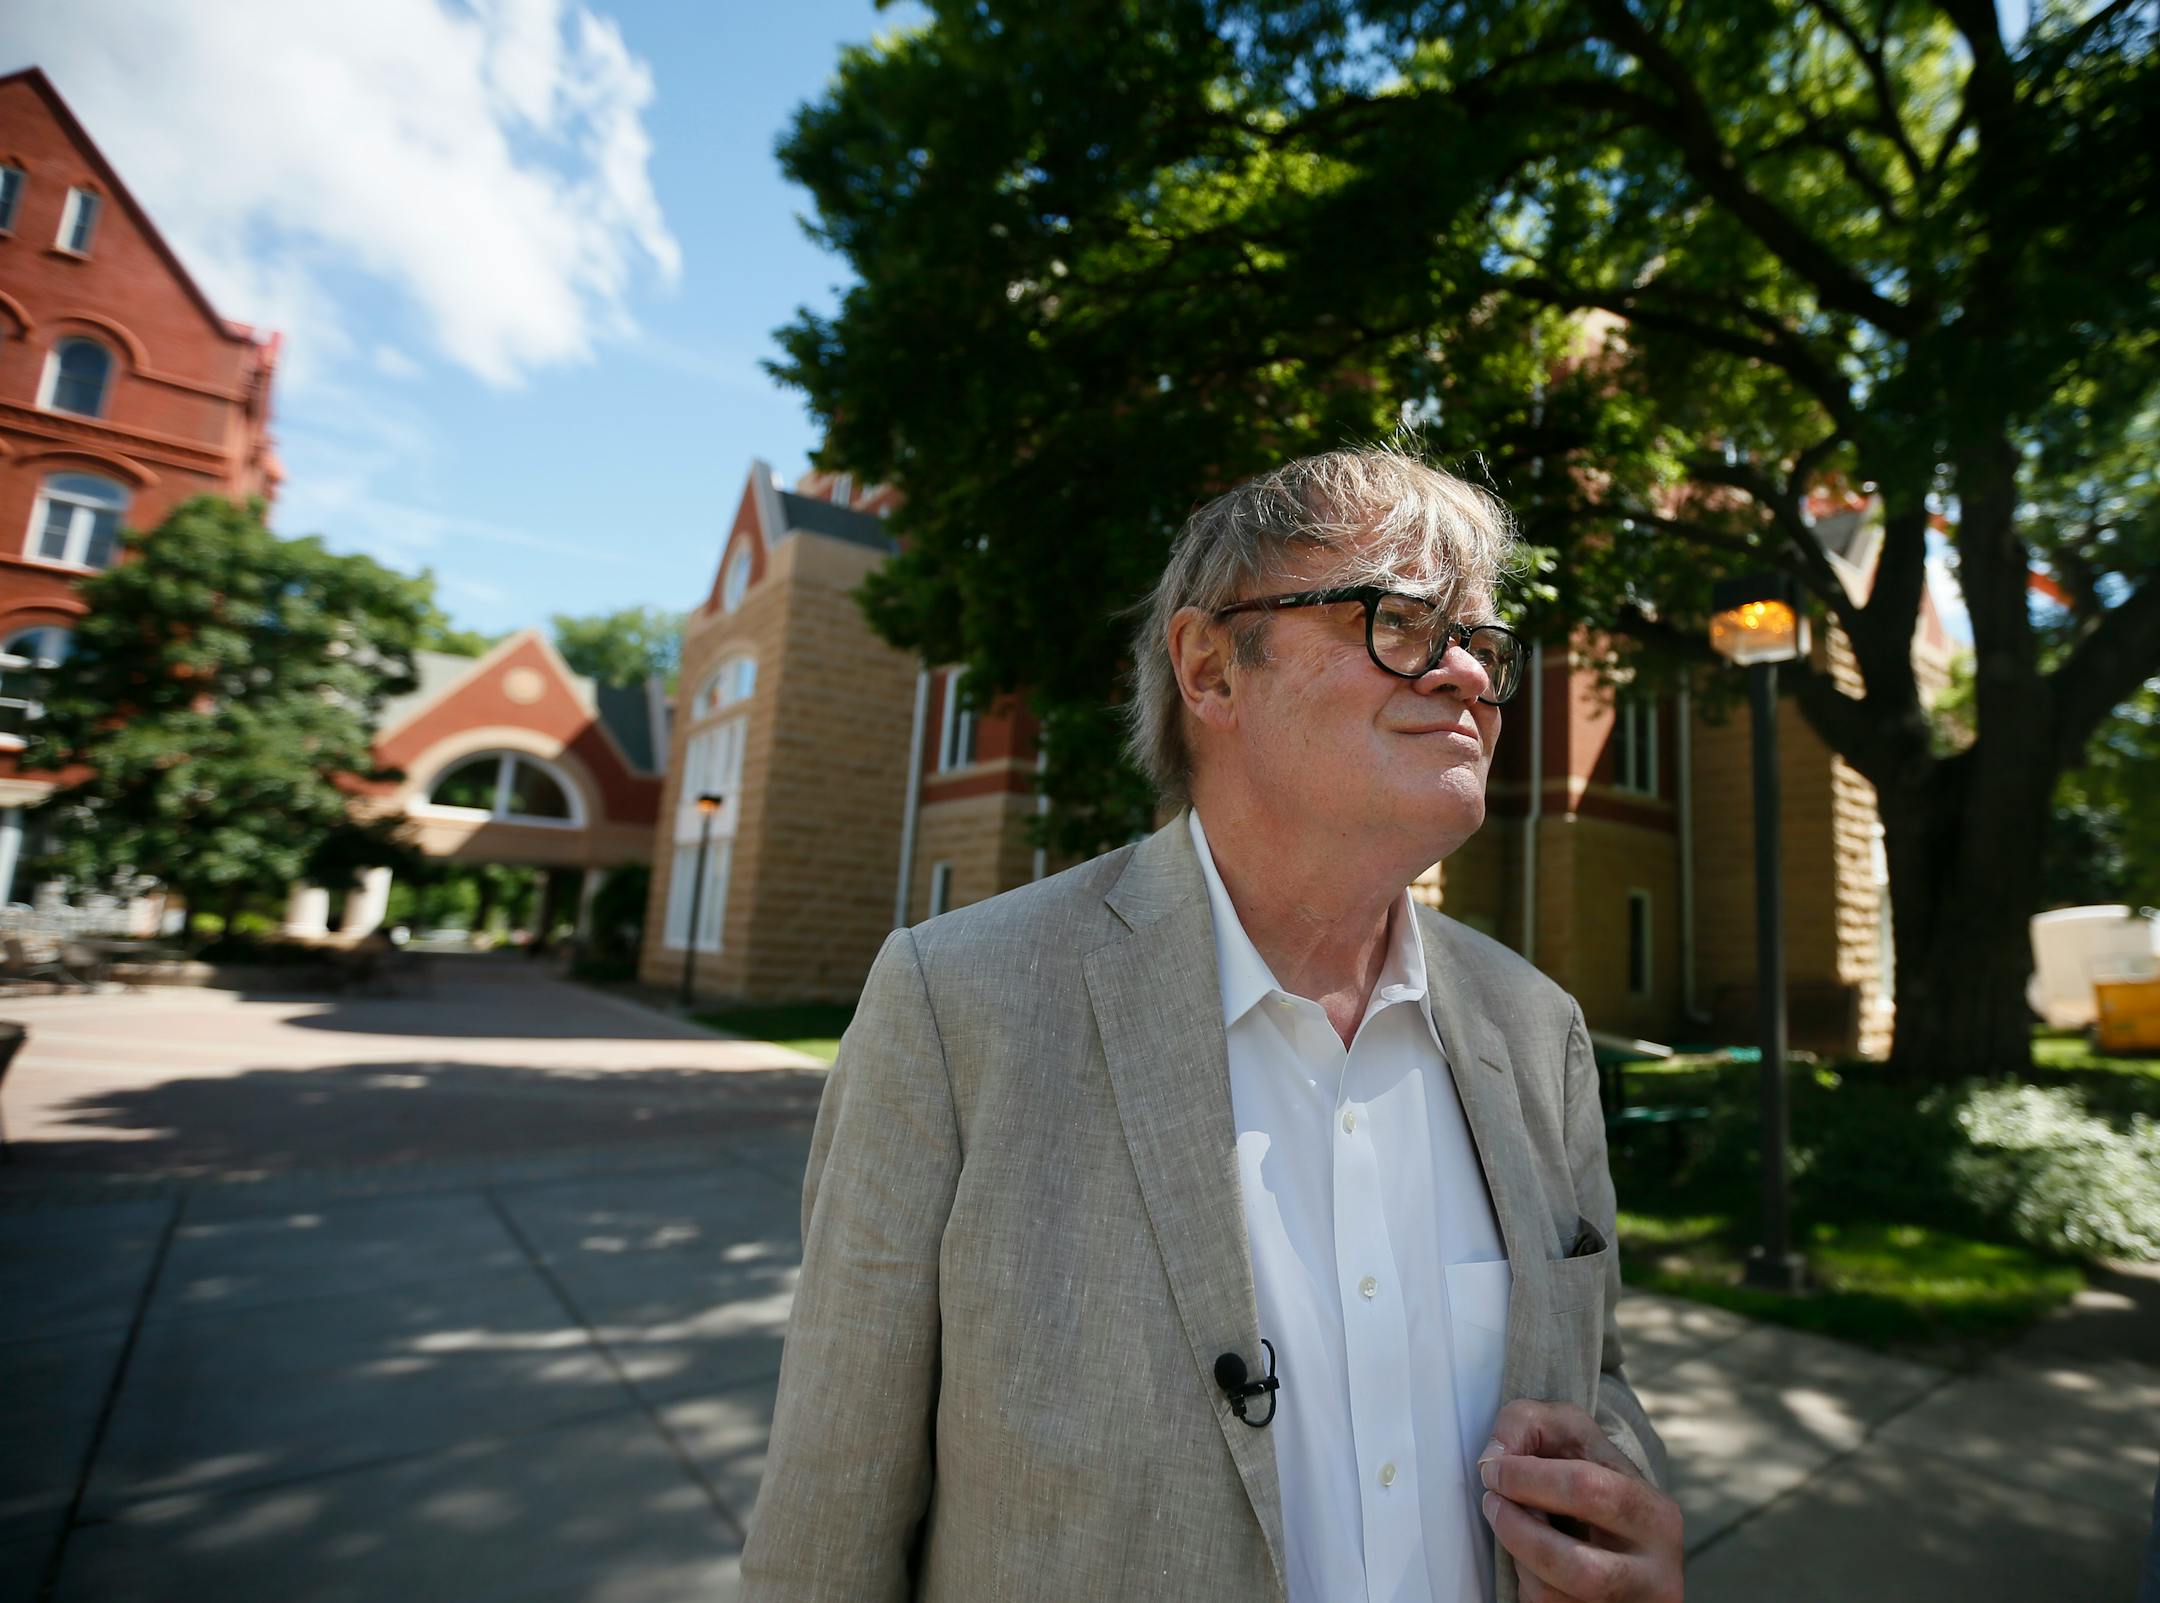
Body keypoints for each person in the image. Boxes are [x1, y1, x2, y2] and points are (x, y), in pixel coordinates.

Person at [740, 446, 1681, 1602]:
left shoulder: (1540, 1028)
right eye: (1398, 621)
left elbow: (1599, 1382)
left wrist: (1622, 1509)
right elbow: (825, 1533)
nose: (1466, 679)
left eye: (1482, 645)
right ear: (1210, 669)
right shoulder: (959, 1004)